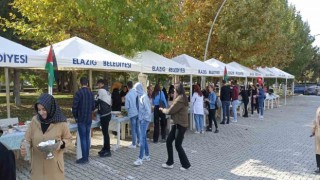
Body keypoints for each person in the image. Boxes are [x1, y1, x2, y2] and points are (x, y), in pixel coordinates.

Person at [21, 93, 72, 179]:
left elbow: (69, 139)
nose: (41, 113)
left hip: (54, 169)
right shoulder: (35, 120)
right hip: (37, 169)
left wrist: (62, 144)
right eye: (39, 110)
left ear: (50, 107)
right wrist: (23, 147)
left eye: (44, 109)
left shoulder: (61, 122)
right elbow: (27, 139)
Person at [160, 83, 191, 171]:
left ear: (177, 90)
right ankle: (170, 163)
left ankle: (186, 164)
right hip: (177, 124)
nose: (173, 92)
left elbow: (170, 111)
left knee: (178, 145)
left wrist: (163, 110)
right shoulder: (181, 97)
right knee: (169, 141)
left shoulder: (179, 99)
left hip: (180, 125)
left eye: (174, 90)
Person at [72, 77, 95, 164]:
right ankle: (86, 156)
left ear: (80, 83)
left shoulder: (78, 93)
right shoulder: (90, 93)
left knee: (83, 138)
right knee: (87, 138)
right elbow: (93, 107)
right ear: (87, 83)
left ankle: (84, 158)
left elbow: (74, 107)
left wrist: (76, 117)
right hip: (88, 118)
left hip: (81, 119)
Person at [133, 82, 152, 166]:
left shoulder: (144, 97)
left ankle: (140, 158)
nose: (135, 92)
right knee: (143, 138)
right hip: (142, 119)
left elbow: (148, 110)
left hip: (144, 120)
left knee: (142, 139)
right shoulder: (140, 96)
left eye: (136, 90)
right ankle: (147, 156)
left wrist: (143, 119)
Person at [96, 79, 112, 157]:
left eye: (98, 84)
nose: (98, 86)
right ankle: (105, 148)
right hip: (108, 113)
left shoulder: (101, 90)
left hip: (104, 114)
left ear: (102, 84)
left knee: (105, 133)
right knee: (105, 133)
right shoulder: (107, 91)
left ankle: (107, 150)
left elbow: (96, 101)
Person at [125, 81, 140, 149]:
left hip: (132, 113)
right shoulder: (137, 92)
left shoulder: (127, 95)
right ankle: (139, 142)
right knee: (137, 128)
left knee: (133, 129)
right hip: (138, 112)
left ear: (127, 87)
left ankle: (134, 144)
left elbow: (127, 107)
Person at [311, 107, 320, 173]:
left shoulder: (319, 109)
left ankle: (319, 168)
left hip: (318, 133)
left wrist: (313, 131)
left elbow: (316, 121)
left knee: (318, 151)